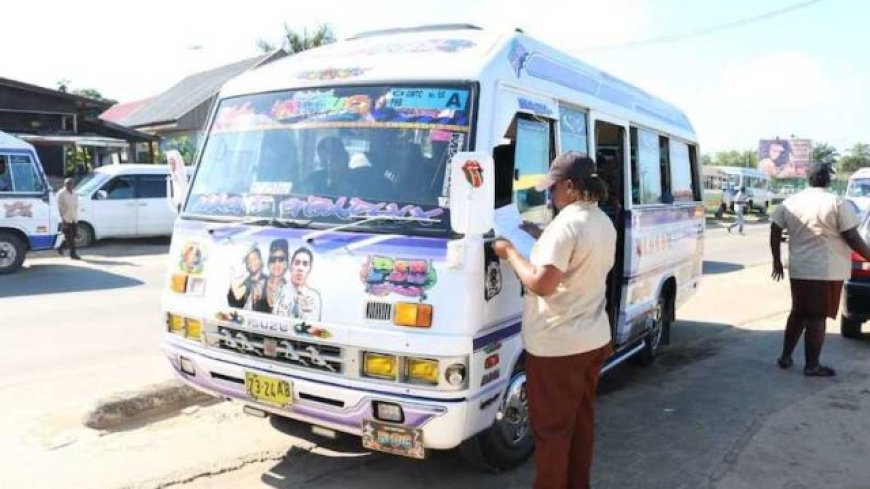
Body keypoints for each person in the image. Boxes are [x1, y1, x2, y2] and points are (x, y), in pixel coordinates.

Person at [493, 152, 616, 489]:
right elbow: (574, 262)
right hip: (592, 339)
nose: (550, 194)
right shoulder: (600, 220)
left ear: (572, 186)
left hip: (558, 346)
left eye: (554, 187)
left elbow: (542, 284)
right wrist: (540, 234)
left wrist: (511, 254)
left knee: (551, 432)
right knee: (580, 423)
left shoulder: (565, 227)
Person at [770, 163, 870, 376]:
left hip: (799, 268)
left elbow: (775, 228)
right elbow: (852, 237)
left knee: (798, 313)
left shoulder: (791, 202)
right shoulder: (836, 202)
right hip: (826, 270)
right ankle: (812, 365)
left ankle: (785, 356)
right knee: (816, 317)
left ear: (809, 178)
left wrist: (777, 261)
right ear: (828, 179)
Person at [274, 246, 322, 321]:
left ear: (309, 269)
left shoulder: (315, 297)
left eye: (305, 264)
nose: (300, 268)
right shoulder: (279, 292)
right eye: (297, 263)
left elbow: (315, 328)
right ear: (291, 266)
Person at [227, 245, 268, 311]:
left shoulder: (270, 282)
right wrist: (232, 287)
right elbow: (234, 305)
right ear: (246, 264)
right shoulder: (243, 284)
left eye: (255, 258)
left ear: (261, 261)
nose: (252, 262)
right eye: (248, 260)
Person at [56, 178, 81, 260]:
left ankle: (61, 246)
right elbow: (59, 207)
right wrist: (62, 219)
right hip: (65, 218)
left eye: (71, 184)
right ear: (65, 185)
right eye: (68, 184)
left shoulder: (74, 193)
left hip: (73, 217)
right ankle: (73, 254)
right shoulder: (61, 194)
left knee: (73, 236)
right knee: (70, 237)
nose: (70, 185)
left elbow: (76, 205)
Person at [264, 239, 289, 313]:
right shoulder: (257, 286)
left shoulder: (291, 292)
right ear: (268, 263)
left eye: (281, 259)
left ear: (286, 263)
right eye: (273, 259)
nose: (276, 264)